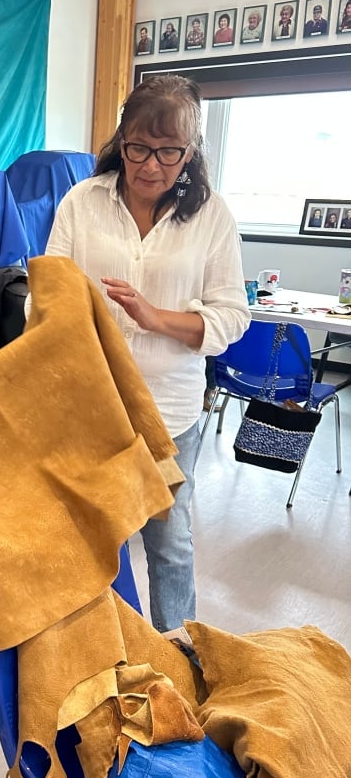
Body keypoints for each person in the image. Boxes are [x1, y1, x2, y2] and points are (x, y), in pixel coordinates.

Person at [43, 75, 250, 634]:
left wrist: (155, 318)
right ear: (121, 140)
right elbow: (48, 295)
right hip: (93, 409)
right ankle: (94, 654)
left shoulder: (212, 217)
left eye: (168, 152)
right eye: (138, 147)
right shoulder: (83, 203)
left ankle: (180, 657)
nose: (151, 166)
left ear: (191, 152)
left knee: (169, 540)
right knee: (88, 539)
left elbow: (232, 317)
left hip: (169, 413)